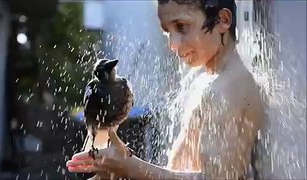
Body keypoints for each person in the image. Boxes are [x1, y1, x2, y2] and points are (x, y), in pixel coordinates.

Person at [66, 0, 265, 179]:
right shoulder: (206, 80)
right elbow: (179, 171)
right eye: (167, 31)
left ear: (223, 20)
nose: (172, 44)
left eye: (181, 27)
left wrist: (132, 168)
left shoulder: (228, 89)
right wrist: (122, 169)